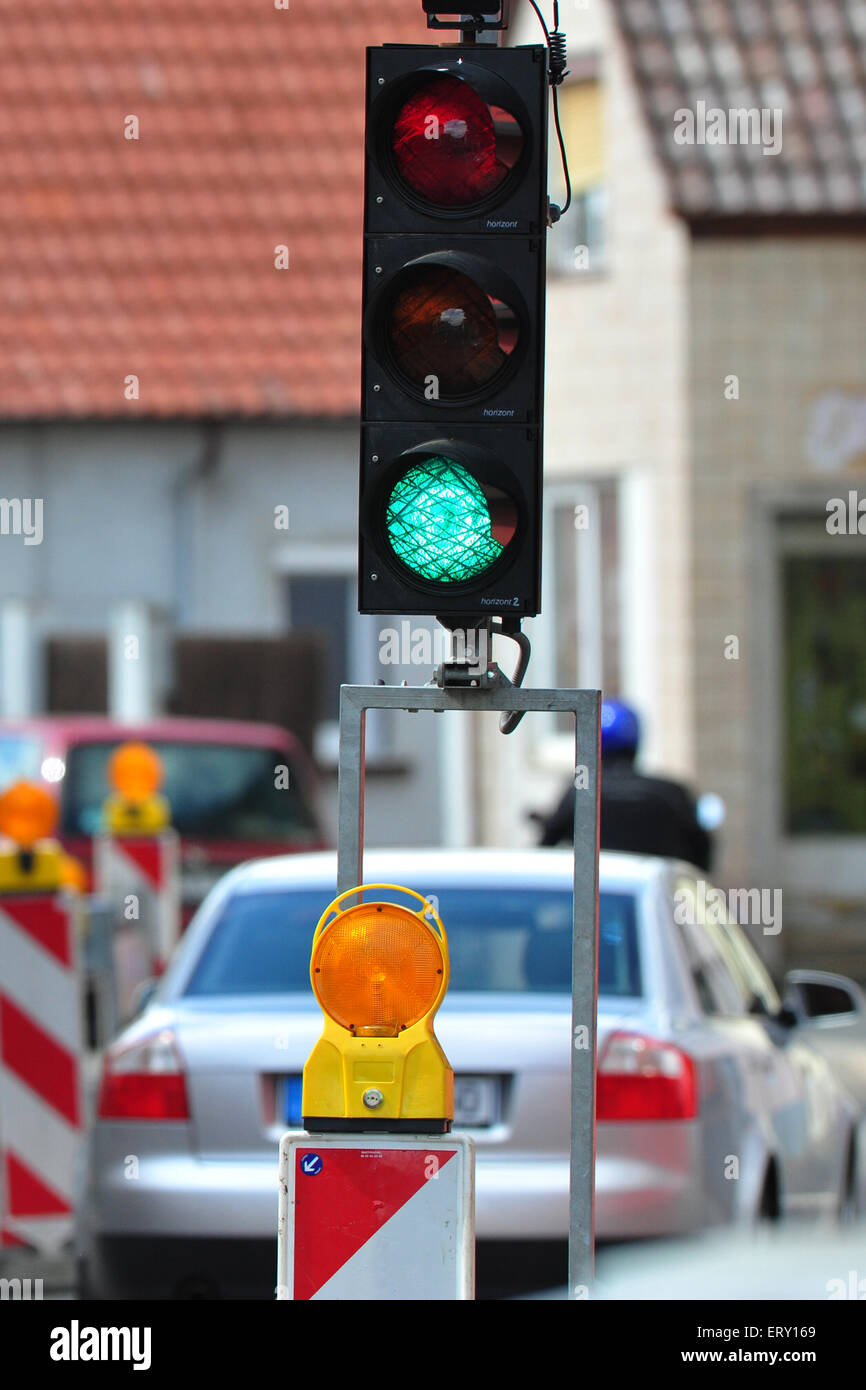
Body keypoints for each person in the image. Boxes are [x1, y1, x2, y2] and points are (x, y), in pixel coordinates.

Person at [537, 699, 712, 871]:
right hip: (658, 892)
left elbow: (546, 847)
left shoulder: (580, 790)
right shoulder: (670, 793)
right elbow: (701, 852)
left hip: (596, 892)